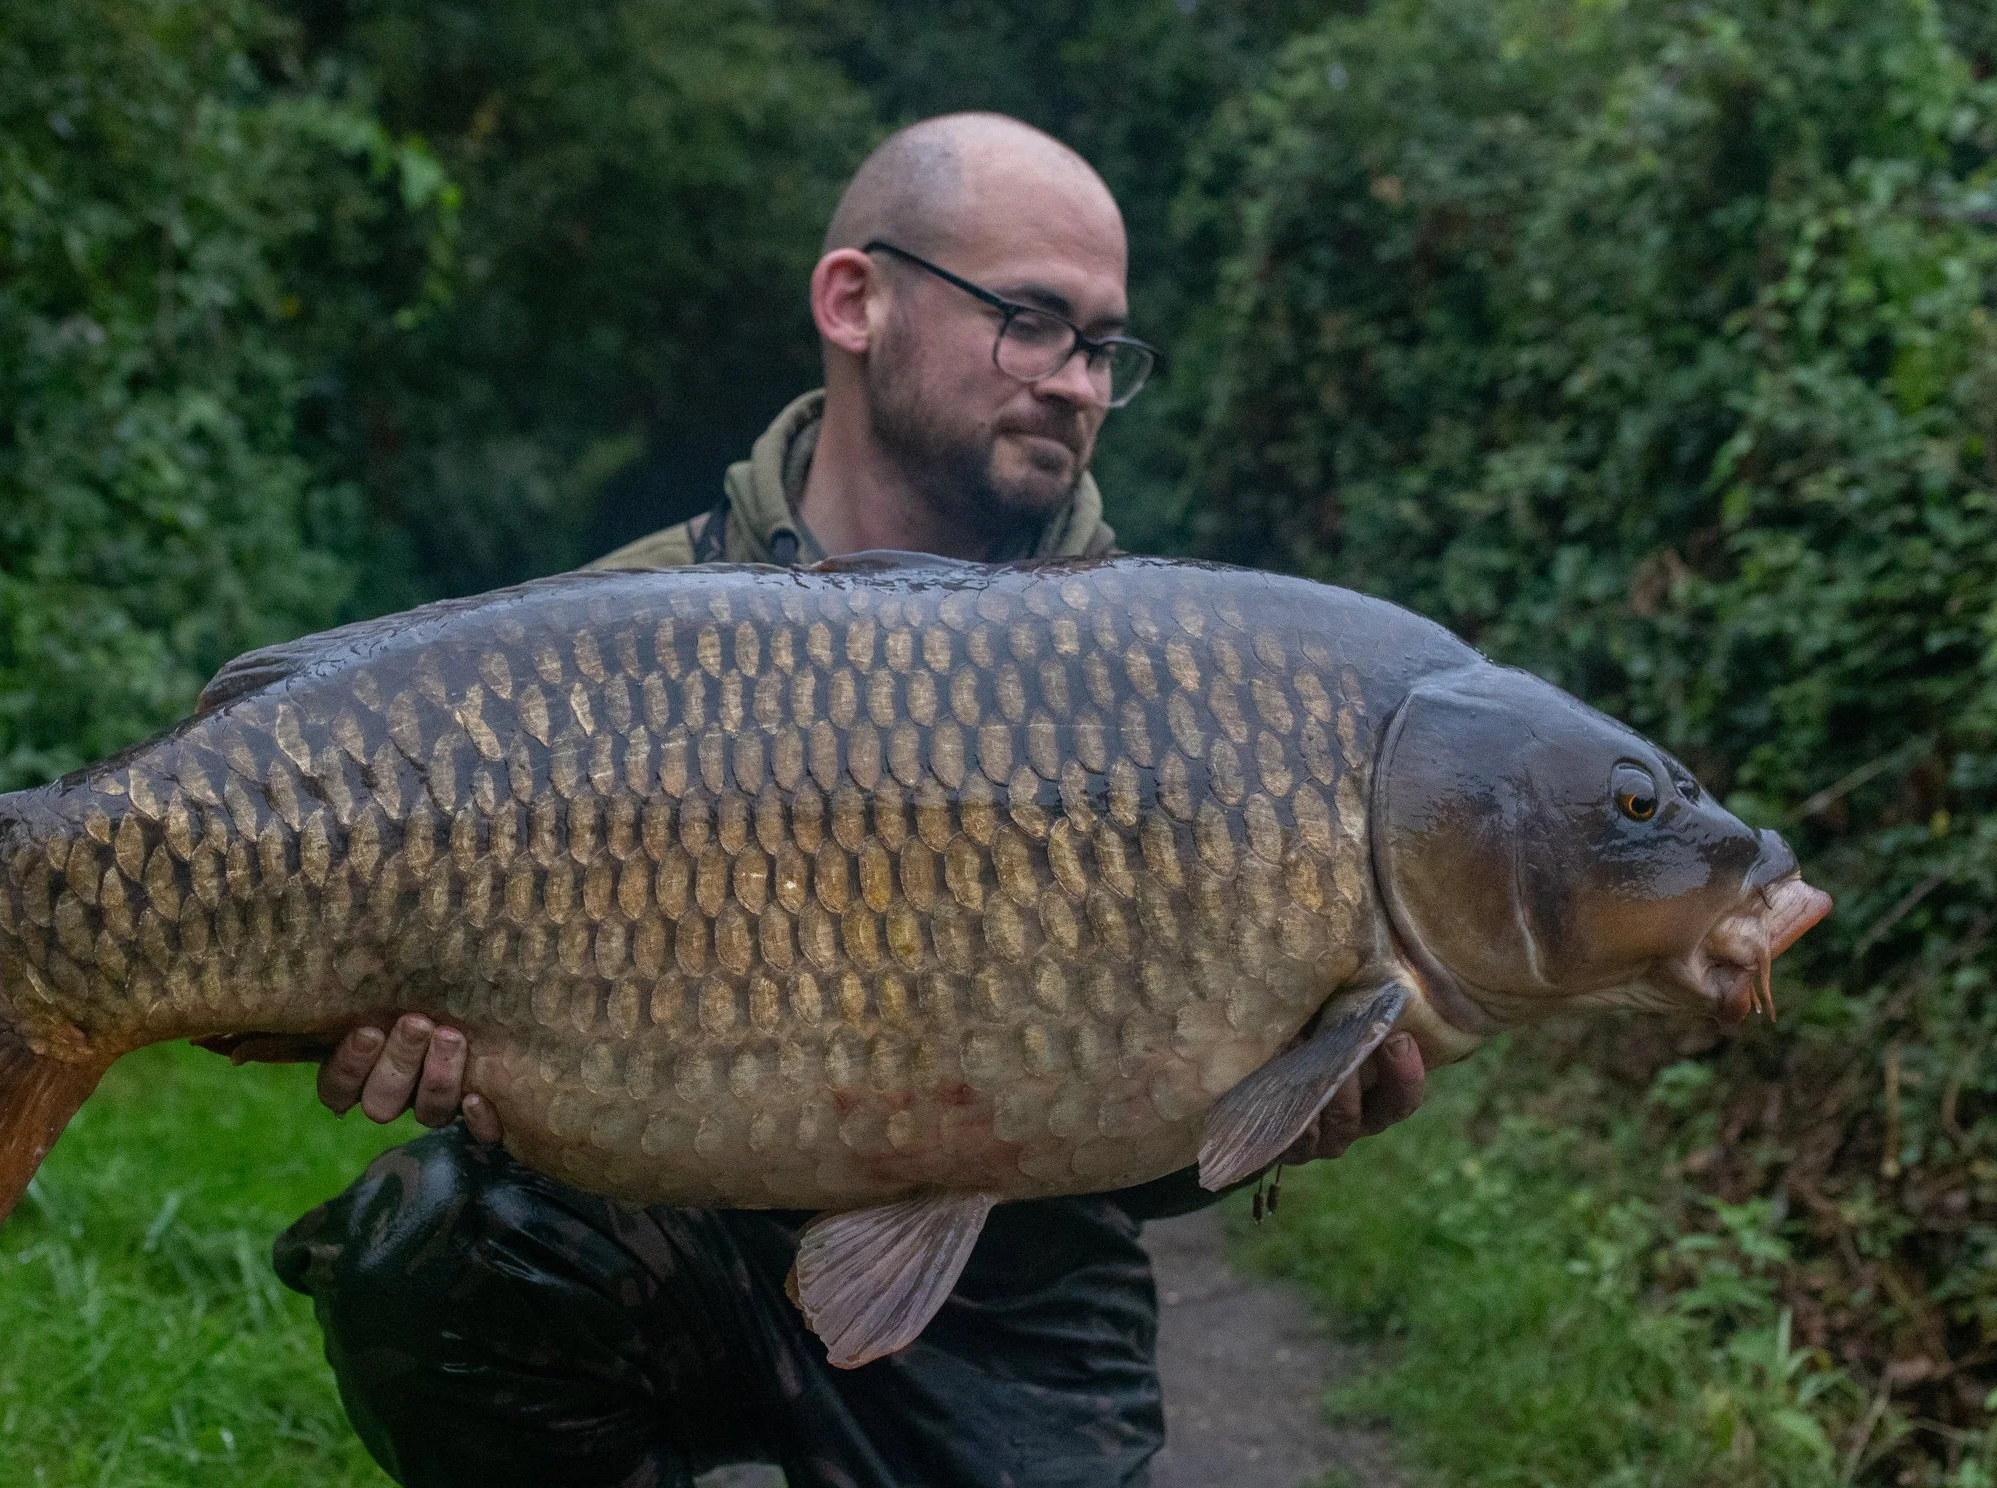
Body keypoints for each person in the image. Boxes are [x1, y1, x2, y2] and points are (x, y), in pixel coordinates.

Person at [271, 112, 1428, 1487]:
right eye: (1031, 321)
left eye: (1104, 346)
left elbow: (1156, 1117)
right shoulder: (612, 634)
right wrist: (400, 1045)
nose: (1076, 383)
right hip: (651, 1217)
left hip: (1012, 1265)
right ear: (854, 299)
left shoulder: (1180, 680)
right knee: (442, 1255)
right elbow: (435, 1013)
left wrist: (1292, 1109)